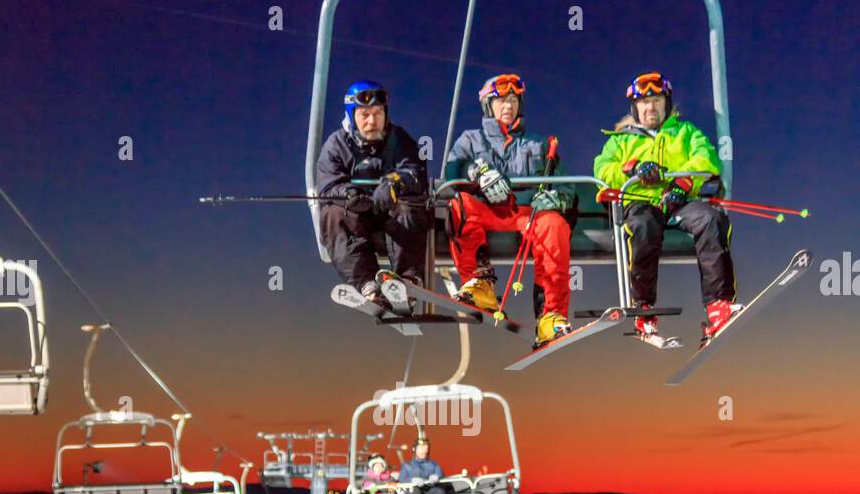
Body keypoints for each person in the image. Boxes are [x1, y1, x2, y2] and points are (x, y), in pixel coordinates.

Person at [593, 71, 740, 340]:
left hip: (677, 202)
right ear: (635, 108)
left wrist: (681, 185)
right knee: (642, 226)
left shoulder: (685, 132)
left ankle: (719, 305)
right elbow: (602, 170)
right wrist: (633, 169)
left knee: (710, 219)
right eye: (644, 103)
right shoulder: (621, 140)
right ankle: (644, 307)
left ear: (667, 104)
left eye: (657, 101)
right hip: (641, 204)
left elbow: (706, 159)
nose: (651, 107)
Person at [444, 72, 573, 344]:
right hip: (485, 208)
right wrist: (474, 173)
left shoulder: (538, 144)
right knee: (459, 207)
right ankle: (480, 284)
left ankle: (550, 316)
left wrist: (556, 199)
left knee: (553, 225)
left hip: (527, 213)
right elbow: (451, 173)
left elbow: (565, 186)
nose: (508, 106)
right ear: (488, 106)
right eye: (501, 100)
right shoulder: (470, 140)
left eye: (513, 100)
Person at [316, 80, 429, 305]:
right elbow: (328, 185)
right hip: (358, 216)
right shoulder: (336, 144)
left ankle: (407, 281)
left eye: (378, 113)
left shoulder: (399, 139)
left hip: (393, 214)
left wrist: (395, 182)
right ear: (352, 115)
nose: (372, 121)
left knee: (410, 207)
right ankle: (367, 283)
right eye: (365, 114)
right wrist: (349, 194)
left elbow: (415, 171)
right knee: (333, 214)